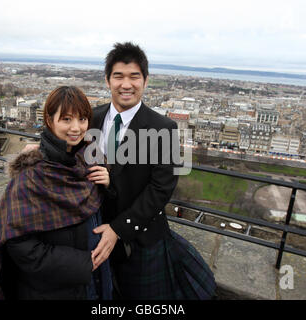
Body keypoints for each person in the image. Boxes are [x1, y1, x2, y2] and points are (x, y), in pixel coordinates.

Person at [90, 42, 217, 299]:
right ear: (107, 80)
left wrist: (118, 229)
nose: (126, 84)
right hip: (94, 231)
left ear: (145, 81)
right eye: (119, 76)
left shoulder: (164, 128)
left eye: (134, 76)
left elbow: (161, 190)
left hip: (138, 238)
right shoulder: (92, 118)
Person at [0, 86, 114, 300]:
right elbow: (18, 245)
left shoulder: (91, 159)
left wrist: (110, 187)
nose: (76, 127)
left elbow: (100, 213)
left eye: (82, 119)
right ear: (49, 120)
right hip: (54, 289)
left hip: (96, 280)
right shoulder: (30, 177)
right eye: (66, 119)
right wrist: (83, 262)